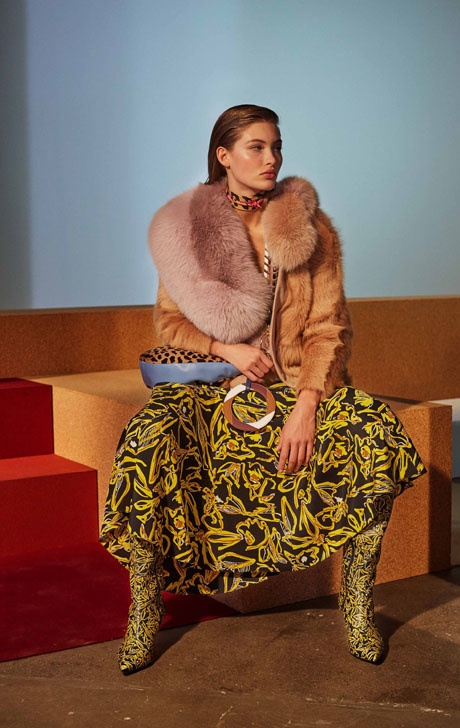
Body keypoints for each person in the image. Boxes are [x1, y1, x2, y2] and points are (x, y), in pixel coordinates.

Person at [100, 104, 425, 675]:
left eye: (276, 146)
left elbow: (329, 329)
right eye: (256, 146)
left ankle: (356, 605)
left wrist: (307, 406)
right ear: (224, 155)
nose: (271, 157)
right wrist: (227, 350)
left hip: (296, 385)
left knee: (375, 434)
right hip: (212, 388)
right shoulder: (189, 231)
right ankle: (146, 605)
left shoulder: (311, 230)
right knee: (147, 440)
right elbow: (170, 324)